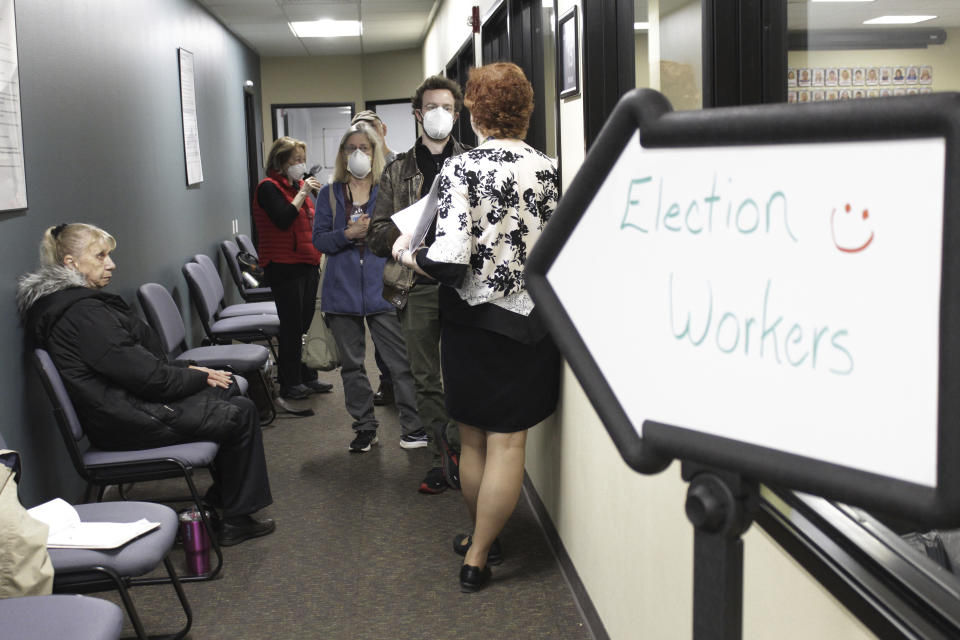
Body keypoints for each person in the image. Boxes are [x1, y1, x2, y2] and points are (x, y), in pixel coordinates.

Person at [391, 62, 561, 592]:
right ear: (525, 110)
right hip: (530, 323)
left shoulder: (462, 170)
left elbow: (449, 261)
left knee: (474, 443)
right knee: (510, 444)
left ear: (474, 111)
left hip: (468, 321)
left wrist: (407, 252)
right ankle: (483, 544)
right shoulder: (551, 168)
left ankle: (479, 549)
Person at [17, 224, 275, 546]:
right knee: (240, 412)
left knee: (228, 391)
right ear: (70, 263)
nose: (111, 264)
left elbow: (137, 367)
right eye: (100, 256)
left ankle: (225, 502)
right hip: (126, 420)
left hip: (120, 409)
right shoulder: (83, 315)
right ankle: (236, 519)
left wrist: (194, 371)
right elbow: (150, 378)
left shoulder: (68, 307)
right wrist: (195, 374)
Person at [368, 75, 471, 495]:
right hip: (416, 284)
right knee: (425, 376)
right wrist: (398, 241)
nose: (439, 115)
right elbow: (375, 231)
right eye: (431, 108)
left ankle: (468, 454)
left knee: (463, 373)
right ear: (417, 114)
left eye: (447, 107)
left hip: (463, 285)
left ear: (457, 113)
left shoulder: (472, 162)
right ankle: (441, 456)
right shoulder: (397, 172)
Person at [312, 124, 424, 453]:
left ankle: (414, 429)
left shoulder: (386, 190)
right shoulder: (329, 194)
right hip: (341, 295)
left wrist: (373, 234)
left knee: (400, 364)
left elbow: (405, 235)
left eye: (365, 147)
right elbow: (319, 240)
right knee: (352, 367)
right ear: (342, 154)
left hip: (383, 290)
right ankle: (365, 427)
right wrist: (347, 235)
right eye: (351, 148)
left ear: (375, 153)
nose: (358, 154)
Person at [252, 136, 334, 401]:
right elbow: (284, 219)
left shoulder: (298, 186)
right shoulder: (268, 188)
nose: (301, 165)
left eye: (302, 159)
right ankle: (290, 382)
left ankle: (308, 376)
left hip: (307, 263)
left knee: (307, 325)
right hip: (283, 267)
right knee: (292, 326)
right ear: (280, 161)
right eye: (295, 160)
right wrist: (302, 193)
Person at [351, 109, 397, 406]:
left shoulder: (400, 163)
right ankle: (389, 383)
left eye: (370, 130)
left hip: (397, 257)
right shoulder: (360, 170)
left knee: (399, 335)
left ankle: (404, 385)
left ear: (383, 129)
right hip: (368, 262)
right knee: (380, 333)